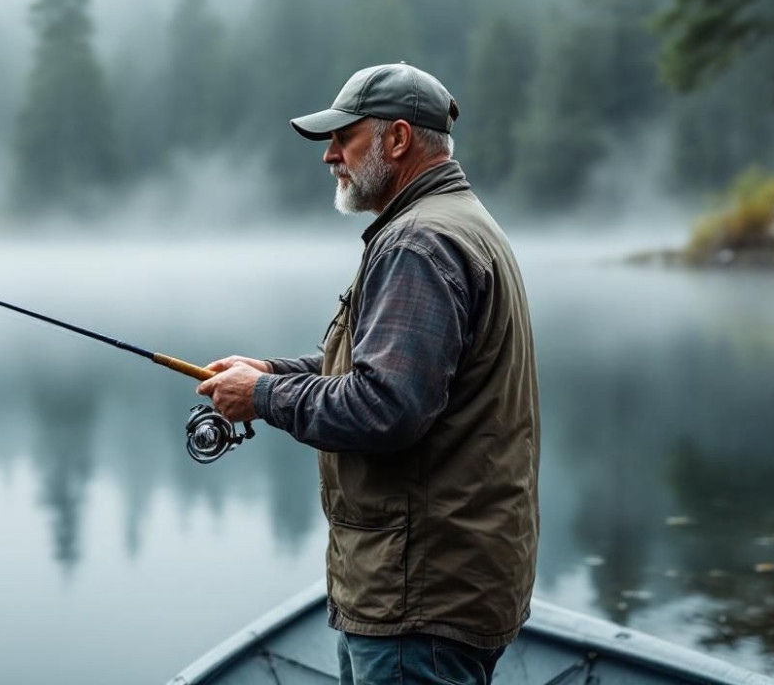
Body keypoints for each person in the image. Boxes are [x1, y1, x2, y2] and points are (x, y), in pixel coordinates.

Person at [196, 62, 539, 685]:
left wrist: (265, 397)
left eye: (343, 138)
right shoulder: (459, 221)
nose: (330, 156)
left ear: (399, 139)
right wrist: (268, 370)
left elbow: (386, 406)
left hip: (418, 597)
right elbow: (393, 370)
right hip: (446, 580)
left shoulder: (419, 244)